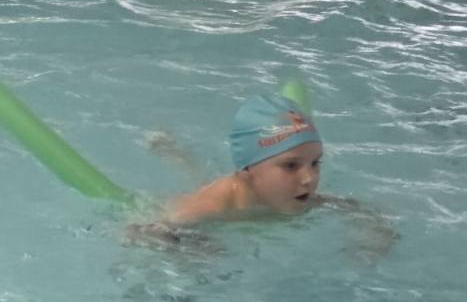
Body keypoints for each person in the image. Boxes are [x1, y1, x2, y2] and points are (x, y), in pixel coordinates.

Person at [139, 94, 394, 255]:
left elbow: (354, 208)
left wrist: (374, 236)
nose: (309, 178)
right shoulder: (208, 207)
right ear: (246, 172)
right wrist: (190, 246)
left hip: (250, 192)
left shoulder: (299, 195)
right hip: (231, 198)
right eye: (291, 166)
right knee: (202, 182)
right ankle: (172, 152)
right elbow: (140, 230)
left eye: (315, 163)